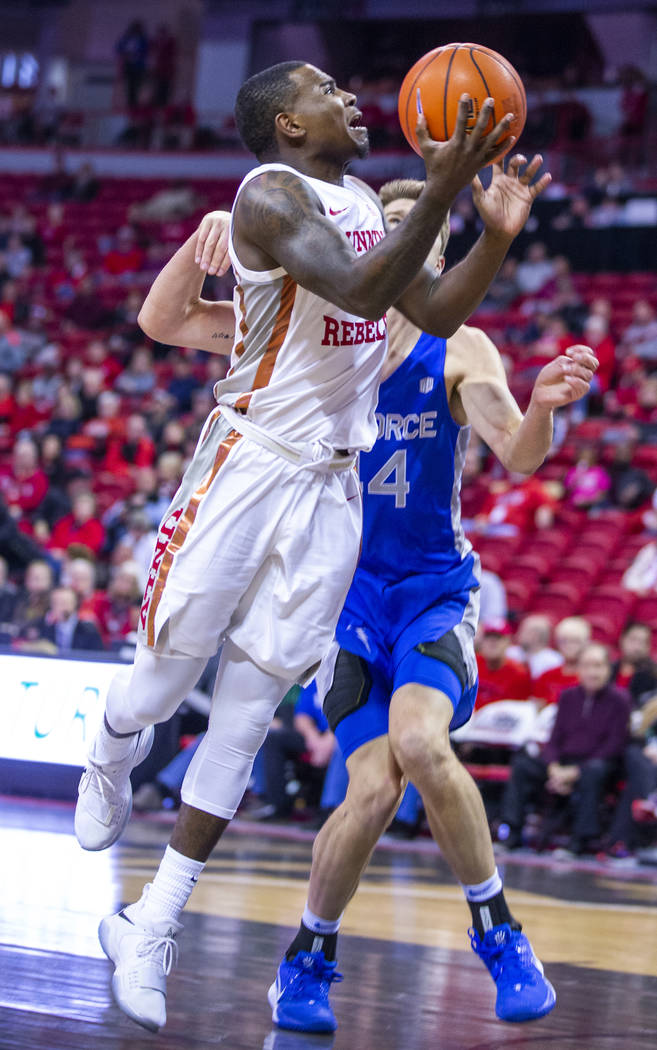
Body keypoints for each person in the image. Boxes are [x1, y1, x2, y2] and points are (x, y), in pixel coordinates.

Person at [74, 59, 550, 1034]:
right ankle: (111, 750)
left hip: (335, 488)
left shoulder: (373, 205)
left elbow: (433, 310)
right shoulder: (267, 197)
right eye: (329, 91)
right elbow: (365, 290)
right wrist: (449, 186)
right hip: (249, 466)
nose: (354, 100)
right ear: (289, 124)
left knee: (246, 716)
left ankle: (151, 921)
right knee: (166, 685)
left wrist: (491, 237)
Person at [267, 179, 597, 1033]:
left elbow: (519, 454)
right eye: (388, 235)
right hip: (343, 602)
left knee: (418, 741)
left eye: (423, 236)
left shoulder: (461, 349)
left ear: (439, 254)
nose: (405, 248)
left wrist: (547, 409)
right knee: (370, 791)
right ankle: (307, 961)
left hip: (431, 592)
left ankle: (499, 934)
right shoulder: (330, 348)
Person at [498, 643, 631, 855]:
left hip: (596, 764)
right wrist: (553, 767)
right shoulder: (568, 696)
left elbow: (614, 744)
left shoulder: (620, 700)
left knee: (594, 772)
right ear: (579, 669)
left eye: (598, 666)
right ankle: (511, 834)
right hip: (563, 762)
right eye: (586, 666)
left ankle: (579, 842)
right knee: (522, 765)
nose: (592, 672)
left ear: (608, 669)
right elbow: (554, 739)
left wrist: (575, 772)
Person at [531, 616, 592, 707]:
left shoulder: (590, 678)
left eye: (575, 641)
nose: (569, 646)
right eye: (564, 641)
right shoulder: (547, 676)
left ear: (586, 643)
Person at [475, 620, 532, 709]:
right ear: (481, 641)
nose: (492, 642)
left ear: (508, 642)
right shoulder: (471, 664)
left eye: (498, 638)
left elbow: (521, 711)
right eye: (488, 637)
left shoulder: (519, 674)